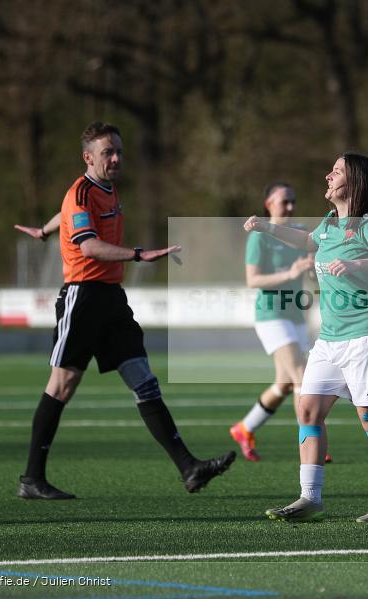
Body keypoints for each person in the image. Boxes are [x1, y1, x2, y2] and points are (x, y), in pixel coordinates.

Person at [13, 121, 235, 499]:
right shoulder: (81, 192)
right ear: (88, 157)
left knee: (144, 380)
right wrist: (139, 255)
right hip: (83, 297)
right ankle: (32, 478)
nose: (116, 158)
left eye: (118, 151)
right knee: (62, 384)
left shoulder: (106, 188)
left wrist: (45, 230)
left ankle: (189, 468)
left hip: (112, 299)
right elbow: (88, 246)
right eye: (108, 153)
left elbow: (66, 215)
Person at [244, 152, 368, 523]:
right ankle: (309, 498)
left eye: (337, 171)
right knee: (308, 409)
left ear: (355, 181)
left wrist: (356, 263)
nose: (328, 176)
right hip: (330, 339)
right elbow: (306, 241)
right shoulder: (330, 222)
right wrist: (267, 228)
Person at [229, 182, 321, 462]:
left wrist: (313, 268)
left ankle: (244, 428)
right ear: (269, 204)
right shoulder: (260, 236)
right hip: (271, 315)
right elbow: (253, 280)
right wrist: (289, 273)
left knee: (284, 384)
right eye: (284, 202)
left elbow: (312, 274)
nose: (290, 206)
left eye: (293, 201)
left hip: (295, 314)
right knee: (302, 377)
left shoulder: (301, 232)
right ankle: (310, 443)